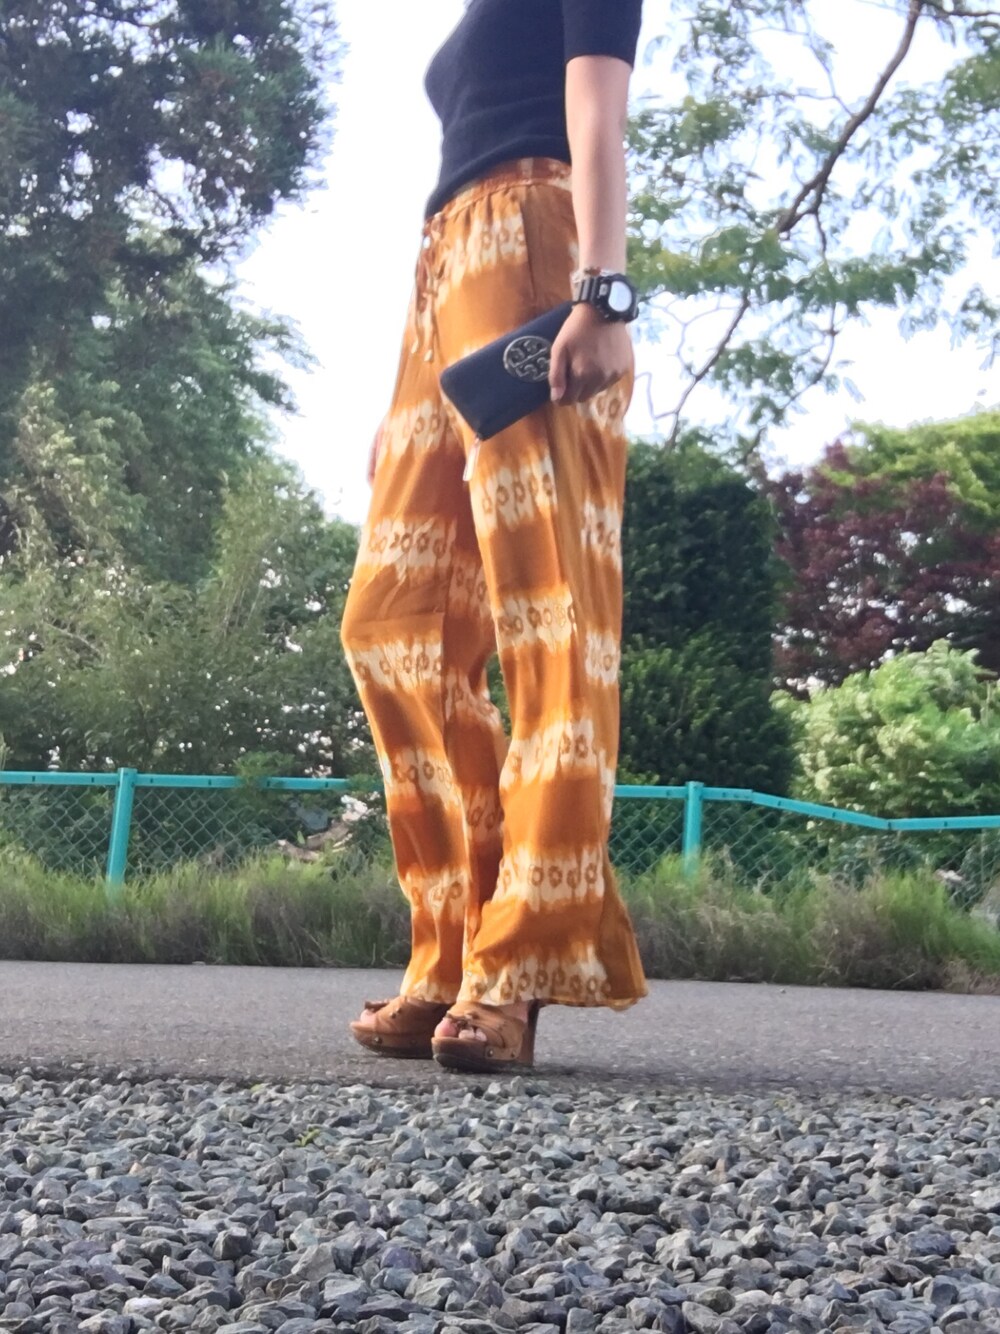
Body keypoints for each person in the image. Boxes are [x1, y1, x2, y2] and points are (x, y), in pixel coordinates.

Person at [342, 0, 648, 1074]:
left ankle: (517, 961)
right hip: (446, 267)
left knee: (550, 610)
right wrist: (407, 396)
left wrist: (604, 294)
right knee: (393, 623)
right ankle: (453, 945)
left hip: (536, 243)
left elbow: (597, 113)